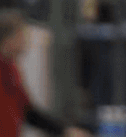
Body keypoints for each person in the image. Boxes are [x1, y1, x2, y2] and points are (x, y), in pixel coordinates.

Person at [0, 9, 92, 137]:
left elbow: (27, 111)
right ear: (8, 39)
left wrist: (65, 131)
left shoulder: (11, 68)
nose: (25, 41)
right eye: (21, 35)